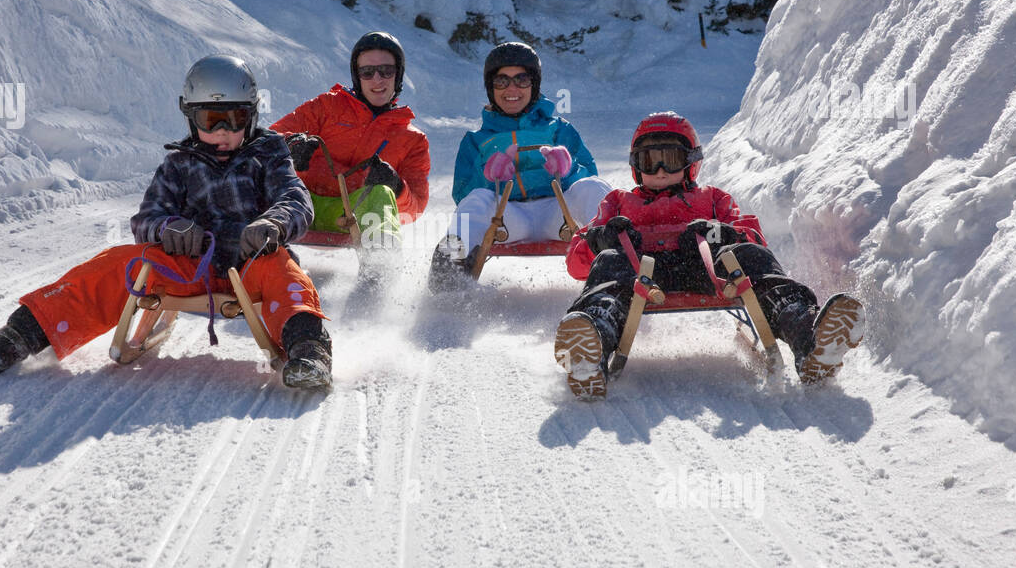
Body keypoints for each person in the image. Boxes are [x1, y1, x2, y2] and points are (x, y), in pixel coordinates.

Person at [0, 55, 333, 389]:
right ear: (190, 117)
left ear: (251, 116)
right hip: (190, 268)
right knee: (122, 263)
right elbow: (147, 216)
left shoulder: (268, 154)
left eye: (235, 119)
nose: (222, 130)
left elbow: (294, 198)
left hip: (253, 261)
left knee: (285, 274)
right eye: (210, 119)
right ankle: (21, 334)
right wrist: (167, 228)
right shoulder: (179, 163)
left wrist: (273, 223)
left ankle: (308, 350)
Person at [554, 111, 865, 397]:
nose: (661, 171)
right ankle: (592, 343)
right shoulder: (618, 202)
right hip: (639, 275)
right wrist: (600, 239)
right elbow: (576, 262)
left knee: (750, 256)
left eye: (670, 160)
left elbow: (754, 238)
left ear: (691, 163)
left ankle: (807, 336)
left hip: (706, 269)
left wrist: (723, 234)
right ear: (637, 166)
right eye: (651, 162)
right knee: (609, 262)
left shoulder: (713, 198)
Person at [429, 41, 611, 285]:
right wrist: (489, 177)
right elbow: (463, 195)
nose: (511, 88)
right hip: (508, 220)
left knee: (593, 188)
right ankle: (450, 276)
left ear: (534, 84)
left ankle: (618, 261)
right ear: (490, 88)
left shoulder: (559, 129)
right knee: (475, 202)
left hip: (558, 216)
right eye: (501, 81)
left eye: (522, 79)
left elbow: (588, 179)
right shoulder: (477, 140)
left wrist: (567, 171)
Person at [271, 31, 430, 252]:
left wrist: (397, 187)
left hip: (349, 215)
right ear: (357, 76)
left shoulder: (412, 139)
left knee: (382, 194)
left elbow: (416, 205)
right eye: (367, 72)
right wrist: (290, 146)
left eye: (386, 71)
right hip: (297, 206)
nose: (377, 79)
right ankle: (248, 266)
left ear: (398, 74)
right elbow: (265, 141)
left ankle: (380, 275)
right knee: (250, 181)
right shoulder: (327, 106)